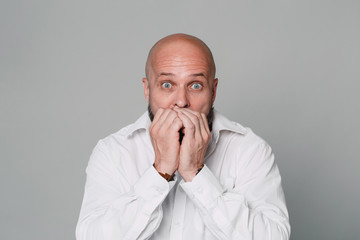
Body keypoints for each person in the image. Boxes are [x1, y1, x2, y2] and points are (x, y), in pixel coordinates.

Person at [76, 33, 290, 240]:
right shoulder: (114, 151)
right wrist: (160, 172)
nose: (181, 101)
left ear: (213, 91)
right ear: (147, 89)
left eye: (195, 86)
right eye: (167, 85)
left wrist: (196, 173)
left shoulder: (249, 150)